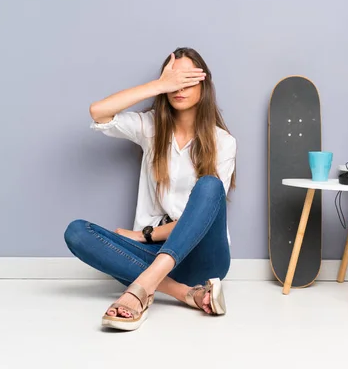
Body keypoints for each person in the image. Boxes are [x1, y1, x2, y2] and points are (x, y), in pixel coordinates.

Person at [63, 47, 237, 331]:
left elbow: (203, 218)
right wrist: (158, 86)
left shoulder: (224, 142)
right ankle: (187, 293)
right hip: (155, 255)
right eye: (173, 79)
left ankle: (140, 288)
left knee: (210, 185)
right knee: (77, 232)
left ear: (204, 85)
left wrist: (144, 235)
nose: (179, 86)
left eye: (188, 79)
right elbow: (98, 113)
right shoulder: (151, 128)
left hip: (204, 261)